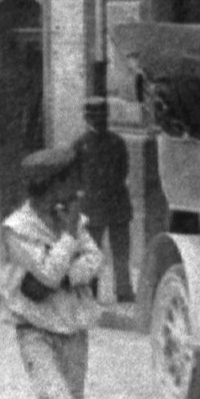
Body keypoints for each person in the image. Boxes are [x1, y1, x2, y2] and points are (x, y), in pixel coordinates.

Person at [1, 146, 107, 399]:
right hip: (36, 330)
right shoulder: (17, 229)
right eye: (68, 182)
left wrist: (65, 272)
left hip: (74, 326)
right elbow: (42, 275)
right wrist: (64, 245)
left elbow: (95, 259)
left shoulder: (72, 220)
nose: (75, 191)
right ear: (49, 186)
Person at [72, 96, 134, 304]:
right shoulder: (80, 145)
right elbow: (74, 175)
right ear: (87, 118)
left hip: (116, 203)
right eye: (95, 117)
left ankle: (124, 291)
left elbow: (123, 169)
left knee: (121, 251)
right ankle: (91, 292)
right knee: (92, 252)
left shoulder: (117, 142)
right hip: (93, 206)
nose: (100, 121)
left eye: (103, 117)